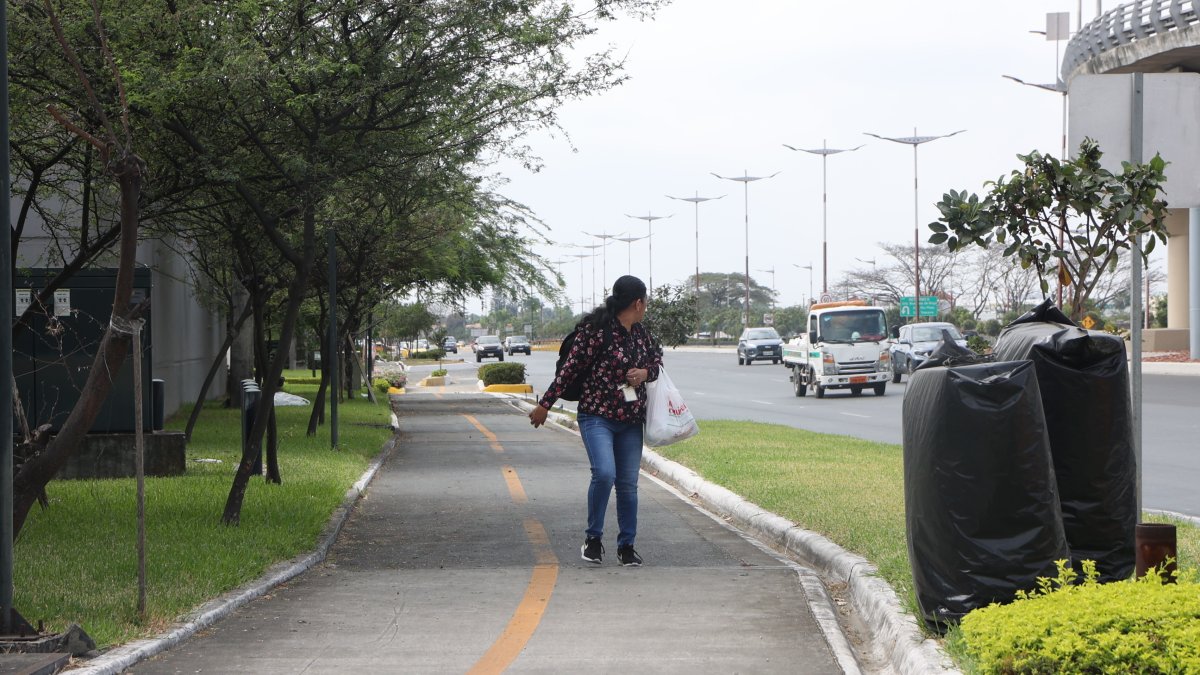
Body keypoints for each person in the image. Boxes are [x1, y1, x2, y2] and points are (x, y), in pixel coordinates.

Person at [529, 275, 663, 566]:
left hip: (630, 420)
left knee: (627, 484)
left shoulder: (641, 333)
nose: (646, 306)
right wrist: (545, 404)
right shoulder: (596, 331)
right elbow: (569, 371)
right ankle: (593, 539)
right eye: (646, 301)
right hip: (596, 416)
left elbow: (656, 363)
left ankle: (626, 546)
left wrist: (644, 373)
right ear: (638, 303)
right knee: (604, 473)